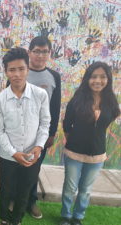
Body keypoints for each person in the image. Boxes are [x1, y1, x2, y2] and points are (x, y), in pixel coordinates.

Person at [0, 48, 50, 225]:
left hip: (31, 156)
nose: (17, 74)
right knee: (6, 190)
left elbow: (44, 123)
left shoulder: (40, 95)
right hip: (7, 157)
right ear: (6, 71)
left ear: (28, 69)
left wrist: (39, 146)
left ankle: (17, 220)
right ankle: (4, 219)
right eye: (12, 70)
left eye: (21, 69)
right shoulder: (0, 99)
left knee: (24, 190)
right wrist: (13, 153)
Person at [60, 62, 120, 225]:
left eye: (102, 77)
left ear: (108, 79)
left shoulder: (111, 102)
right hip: (74, 152)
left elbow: (107, 123)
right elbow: (67, 124)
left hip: (97, 155)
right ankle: (66, 216)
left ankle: (78, 217)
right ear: (87, 79)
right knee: (70, 188)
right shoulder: (78, 98)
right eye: (94, 77)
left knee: (85, 190)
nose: (97, 81)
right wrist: (75, 139)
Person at [26, 36, 61, 219]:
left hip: (41, 133)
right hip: (20, 131)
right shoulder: (20, 71)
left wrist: (51, 133)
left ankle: (31, 201)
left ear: (49, 53)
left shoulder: (54, 77)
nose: (40, 55)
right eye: (37, 51)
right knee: (17, 166)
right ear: (29, 52)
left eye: (44, 51)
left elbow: (55, 106)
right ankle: (16, 198)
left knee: (34, 168)